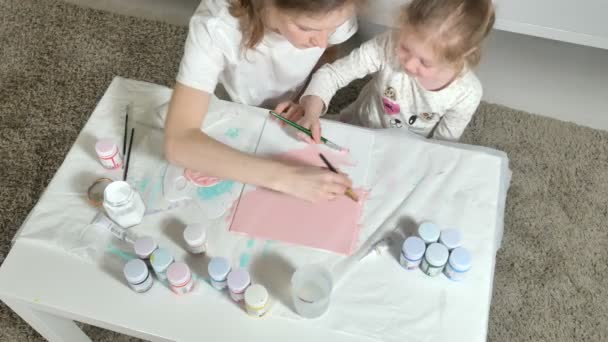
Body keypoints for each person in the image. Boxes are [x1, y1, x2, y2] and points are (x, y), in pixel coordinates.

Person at [164, 0, 362, 202]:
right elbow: (178, 142)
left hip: (292, 101)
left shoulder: (335, 8)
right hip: (238, 102)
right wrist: (288, 179)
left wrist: (305, 97)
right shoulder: (217, 26)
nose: (321, 41)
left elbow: (328, 51)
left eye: (333, 28)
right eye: (306, 28)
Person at [296, 0, 495, 142]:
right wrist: (311, 112)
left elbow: (443, 146)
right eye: (405, 48)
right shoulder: (387, 44)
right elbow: (332, 74)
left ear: (462, 56)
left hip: (406, 149)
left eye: (424, 63)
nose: (409, 64)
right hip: (357, 125)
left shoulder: (467, 93)